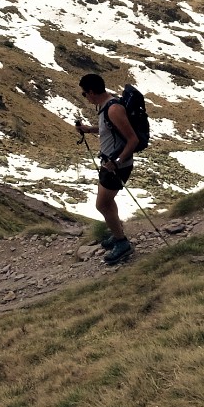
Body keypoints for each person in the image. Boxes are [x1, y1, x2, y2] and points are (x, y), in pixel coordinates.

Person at [75, 73, 140, 265]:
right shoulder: (107, 106)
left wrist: (117, 162)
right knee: (107, 202)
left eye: (84, 93)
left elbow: (133, 140)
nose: (85, 97)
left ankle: (122, 243)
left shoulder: (113, 109)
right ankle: (117, 233)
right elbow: (109, 130)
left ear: (92, 92)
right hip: (110, 164)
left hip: (116, 166)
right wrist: (89, 129)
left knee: (102, 205)